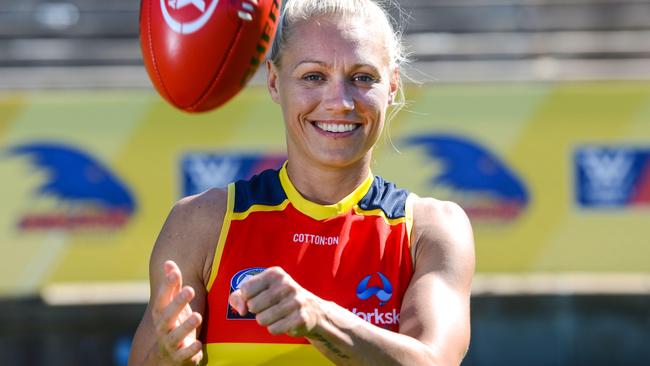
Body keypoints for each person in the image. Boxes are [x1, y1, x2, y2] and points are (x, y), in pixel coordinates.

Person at [128, 0, 475, 365]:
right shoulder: (201, 222)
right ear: (275, 82)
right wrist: (167, 357)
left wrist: (319, 318)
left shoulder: (430, 229)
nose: (339, 102)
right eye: (313, 76)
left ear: (391, 86)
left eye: (362, 77)